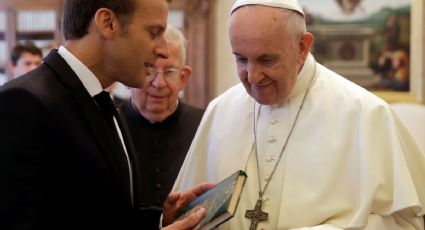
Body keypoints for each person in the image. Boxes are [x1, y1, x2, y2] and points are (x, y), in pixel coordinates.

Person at [172, 0, 425, 229]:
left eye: (266, 60)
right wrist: (177, 218)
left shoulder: (366, 114)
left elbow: (407, 223)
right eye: (241, 59)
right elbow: (188, 214)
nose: (252, 76)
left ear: (302, 47)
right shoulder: (221, 110)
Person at [0, 0, 212, 229]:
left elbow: (103, 214)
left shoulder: (100, 100)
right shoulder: (24, 103)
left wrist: (161, 220)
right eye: (154, 32)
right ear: (108, 23)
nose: (163, 50)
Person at [121, 25, 205, 229]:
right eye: (149, 69)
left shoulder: (206, 124)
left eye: (169, 71)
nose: (159, 83)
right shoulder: (108, 125)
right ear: (129, 75)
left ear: (183, 77)